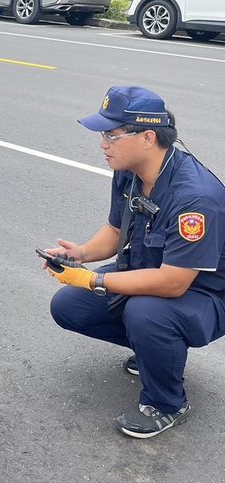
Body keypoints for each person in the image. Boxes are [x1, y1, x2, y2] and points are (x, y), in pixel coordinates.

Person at [46, 86, 225, 438]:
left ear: (147, 137)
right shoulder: (129, 170)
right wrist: (79, 254)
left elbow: (173, 283)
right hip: (149, 273)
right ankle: (157, 354)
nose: (103, 144)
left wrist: (93, 280)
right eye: (103, 135)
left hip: (204, 295)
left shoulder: (195, 198)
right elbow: (116, 230)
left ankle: (166, 403)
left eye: (111, 135)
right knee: (68, 306)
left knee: (146, 313)